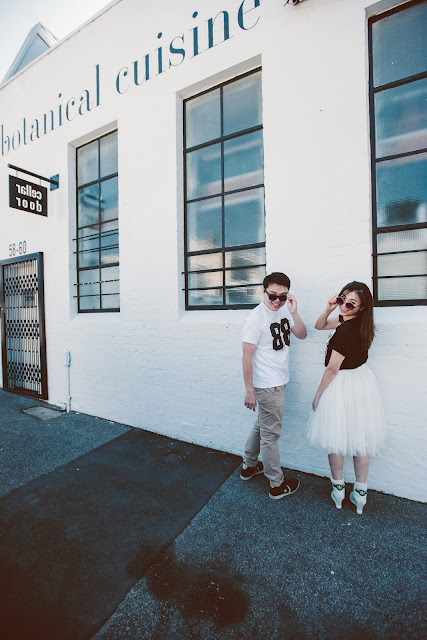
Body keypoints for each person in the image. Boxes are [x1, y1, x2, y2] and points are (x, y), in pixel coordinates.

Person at [307, 281, 386, 514]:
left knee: (336, 436)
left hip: (341, 383)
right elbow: (320, 325)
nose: (344, 306)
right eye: (342, 299)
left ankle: (338, 490)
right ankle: (360, 493)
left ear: (361, 307)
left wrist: (318, 395)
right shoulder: (359, 323)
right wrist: (329, 308)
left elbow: (332, 369)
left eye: (351, 304)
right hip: (361, 382)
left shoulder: (345, 330)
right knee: (360, 438)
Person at [240, 272, 307, 499]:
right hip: (267, 384)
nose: (277, 301)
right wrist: (249, 390)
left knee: (262, 425)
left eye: (283, 296)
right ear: (263, 291)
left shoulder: (285, 311)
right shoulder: (256, 318)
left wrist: (294, 312)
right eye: (273, 296)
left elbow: (302, 334)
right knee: (271, 434)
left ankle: (249, 466)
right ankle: (276, 484)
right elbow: (246, 357)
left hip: (278, 380)